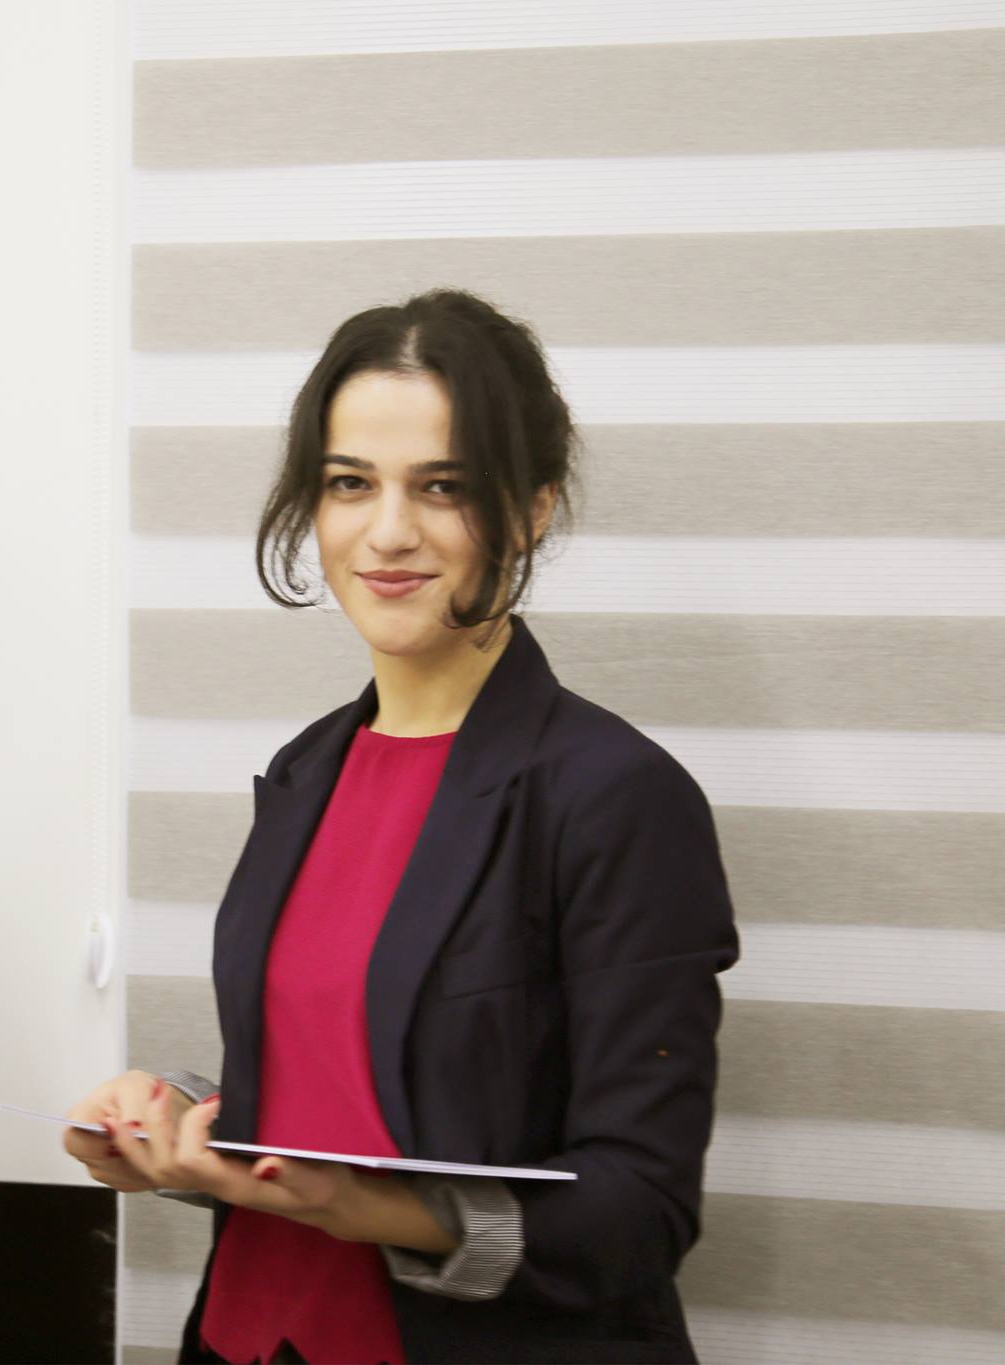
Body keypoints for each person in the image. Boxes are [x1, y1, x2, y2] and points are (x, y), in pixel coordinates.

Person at [67, 291, 737, 1364]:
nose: (386, 531)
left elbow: (636, 1211)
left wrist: (364, 1210)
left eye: (443, 487)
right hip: (247, 1336)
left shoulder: (614, 794)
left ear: (531, 509)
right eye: (349, 483)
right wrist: (178, 1121)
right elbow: (336, 1089)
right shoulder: (307, 769)